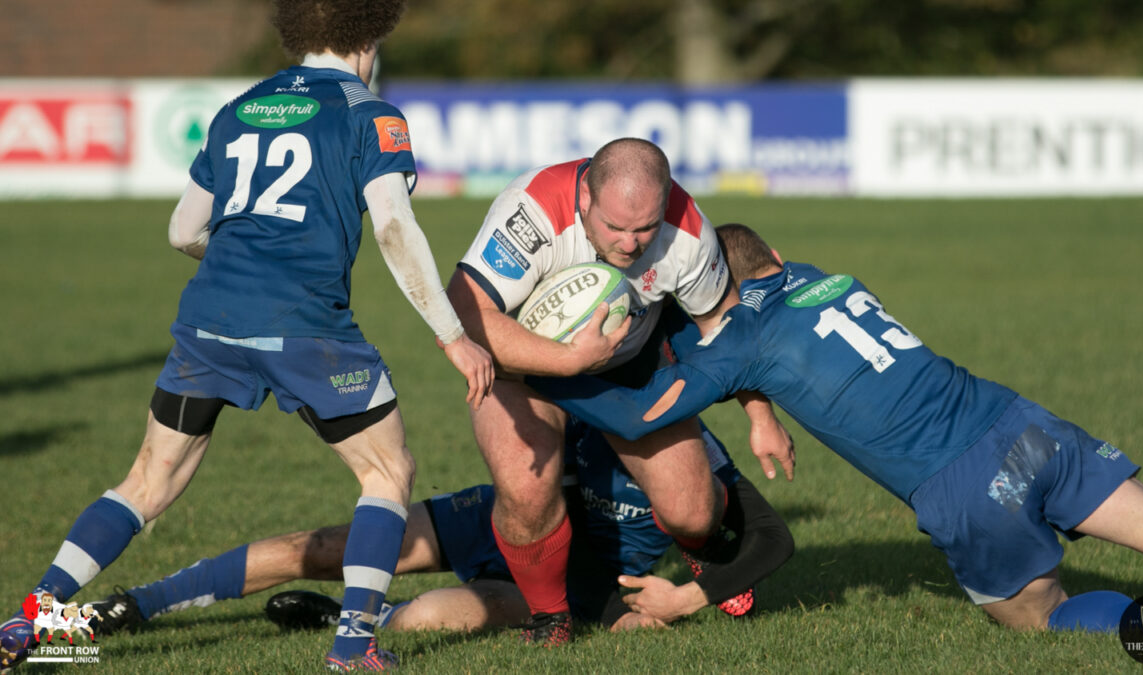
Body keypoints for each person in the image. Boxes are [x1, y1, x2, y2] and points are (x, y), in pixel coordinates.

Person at [0, 1, 494, 671]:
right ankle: (353, 646)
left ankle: (29, 618)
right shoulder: (370, 114)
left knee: (146, 481)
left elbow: (182, 230)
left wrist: (243, 271)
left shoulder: (239, 108)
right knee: (387, 472)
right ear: (371, 37)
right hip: (306, 328)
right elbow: (394, 228)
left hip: (209, 321)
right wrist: (452, 335)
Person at [532, 222, 1143, 633]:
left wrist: (540, 368)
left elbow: (632, 413)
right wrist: (760, 408)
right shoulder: (826, 278)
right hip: (1021, 423)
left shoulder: (738, 343)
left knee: (1039, 613)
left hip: (963, 486)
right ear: (776, 254)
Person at [446, 138, 793, 644]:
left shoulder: (687, 229)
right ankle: (551, 616)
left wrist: (761, 416)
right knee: (525, 485)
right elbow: (466, 311)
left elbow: (726, 329)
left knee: (691, 509)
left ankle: (701, 545)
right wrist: (567, 359)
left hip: (626, 363)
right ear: (585, 197)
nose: (630, 245)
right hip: (519, 365)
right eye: (615, 228)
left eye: (644, 229)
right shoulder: (532, 211)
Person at [81, 420, 791, 636]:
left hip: (567, 586)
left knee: (424, 618)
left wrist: (682, 598)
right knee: (329, 545)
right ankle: (136, 604)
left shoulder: (700, 454)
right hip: (492, 519)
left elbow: (768, 542)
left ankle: (362, 618)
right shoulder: (589, 393)